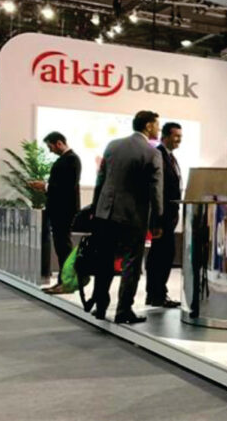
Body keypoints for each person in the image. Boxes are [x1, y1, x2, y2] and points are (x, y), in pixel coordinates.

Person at [88, 110, 164, 324]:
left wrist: (96, 207)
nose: (158, 129)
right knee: (131, 262)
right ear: (148, 126)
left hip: (106, 213)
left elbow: (100, 179)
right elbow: (156, 190)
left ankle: (100, 306)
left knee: (104, 260)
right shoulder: (152, 153)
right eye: (157, 125)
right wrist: (157, 220)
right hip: (133, 216)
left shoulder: (113, 145)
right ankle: (123, 310)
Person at [35, 132, 82, 294]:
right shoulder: (65, 160)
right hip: (59, 211)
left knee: (64, 248)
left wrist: (45, 186)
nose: (50, 150)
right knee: (61, 247)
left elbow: (67, 187)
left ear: (59, 143)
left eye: (50, 147)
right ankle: (63, 281)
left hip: (64, 211)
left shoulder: (72, 160)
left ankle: (66, 282)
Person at [145, 122, 182, 308]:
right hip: (162, 216)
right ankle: (156, 294)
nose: (179, 140)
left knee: (164, 254)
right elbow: (157, 189)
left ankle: (157, 293)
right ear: (165, 136)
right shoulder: (158, 154)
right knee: (161, 255)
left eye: (180, 137)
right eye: (176, 136)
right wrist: (157, 219)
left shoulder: (170, 157)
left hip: (169, 215)